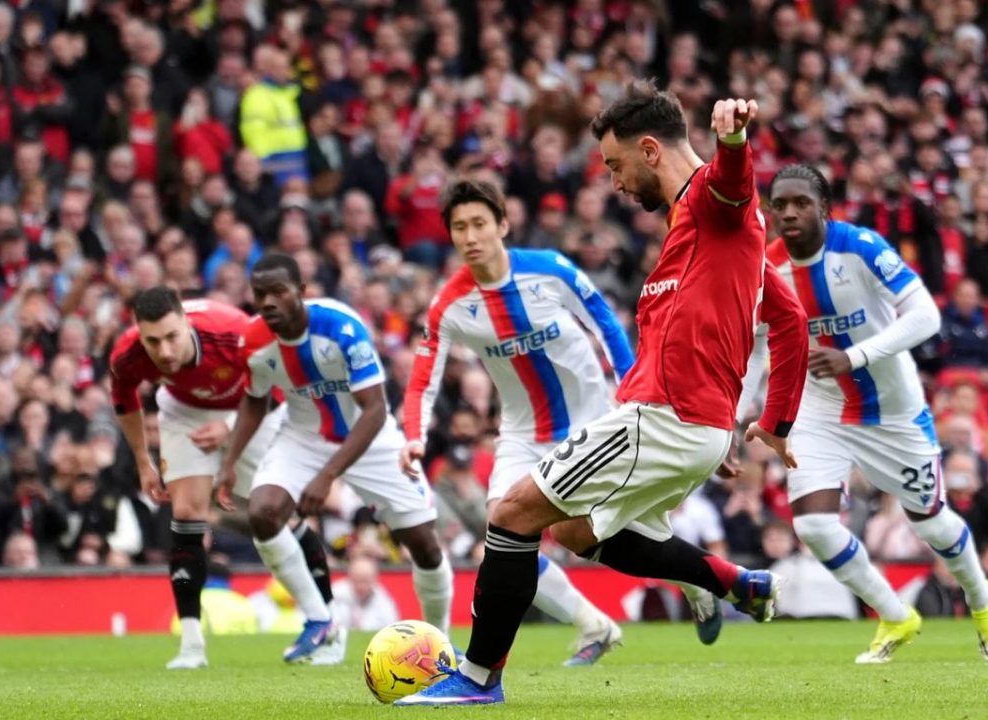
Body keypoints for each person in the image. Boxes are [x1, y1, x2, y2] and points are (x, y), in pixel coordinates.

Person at [397, 84, 808, 706]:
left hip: (663, 418)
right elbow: (790, 318)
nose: (614, 182)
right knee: (574, 532)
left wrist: (732, 141)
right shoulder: (709, 233)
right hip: (684, 424)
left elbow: (732, 183)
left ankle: (477, 679)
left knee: (510, 515)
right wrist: (775, 421)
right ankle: (731, 583)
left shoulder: (711, 199)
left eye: (616, 165)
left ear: (650, 150)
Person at [763, 163, 988, 662]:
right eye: (780, 204)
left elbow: (926, 316)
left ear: (824, 208)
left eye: (801, 203)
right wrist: (746, 415)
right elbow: (753, 344)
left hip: (892, 410)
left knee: (932, 524)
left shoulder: (861, 247)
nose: (789, 213)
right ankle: (895, 615)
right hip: (821, 409)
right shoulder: (767, 268)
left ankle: (982, 598)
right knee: (813, 526)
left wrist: (854, 357)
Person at [400, 178, 633, 666]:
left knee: (604, 531)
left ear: (503, 225)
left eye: (479, 223)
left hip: (590, 421)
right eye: (459, 227)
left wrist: (633, 390)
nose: (470, 236)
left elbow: (606, 324)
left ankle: (702, 584)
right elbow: (422, 379)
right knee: (502, 536)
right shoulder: (449, 306)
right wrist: (414, 438)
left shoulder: (549, 270)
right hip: (524, 434)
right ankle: (594, 624)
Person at [216, 253, 454, 665]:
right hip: (303, 436)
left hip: (371, 438)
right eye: (260, 294)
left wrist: (327, 476)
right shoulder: (253, 342)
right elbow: (255, 400)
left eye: (278, 292)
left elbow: (375, 409)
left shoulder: (341, 327)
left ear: (301, 291)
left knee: (425, 545)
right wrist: (229, 461)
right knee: (263, 512)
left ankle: (440, 644)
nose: (268, 302)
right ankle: (321, 621)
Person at [109, 287, 335, 669]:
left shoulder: (233, 333)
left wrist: (229, 427)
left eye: (172, 337)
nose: (164, 351)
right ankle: (191, 646)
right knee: (186, 513)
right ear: (139, 334)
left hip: (253, 409)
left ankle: (328, 622)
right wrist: (143, 461)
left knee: (276, 516)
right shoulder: (127, 354)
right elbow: (125, 398)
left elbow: (273, 391)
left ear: (186, 323)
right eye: (153, 341)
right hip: (184, 411)